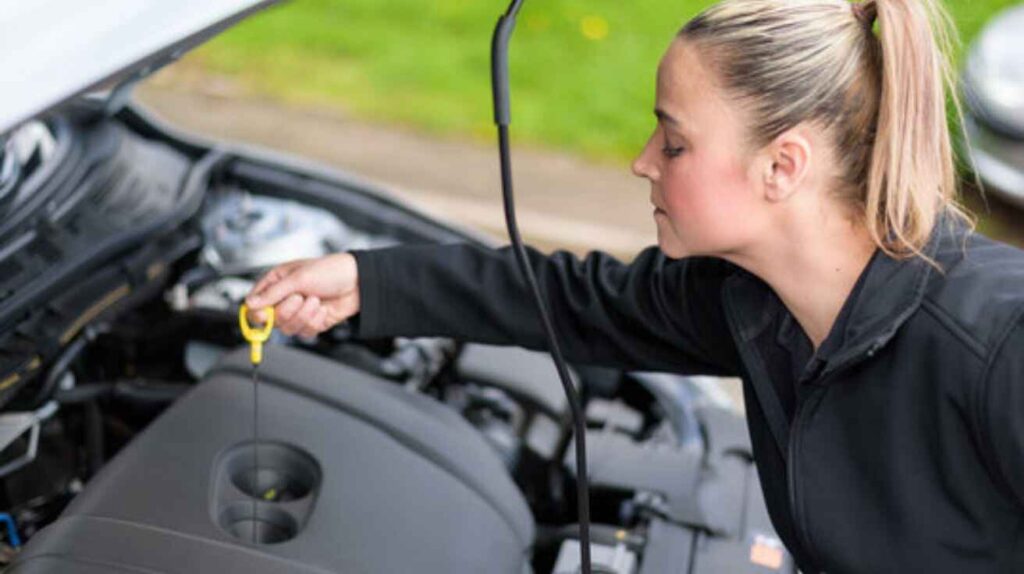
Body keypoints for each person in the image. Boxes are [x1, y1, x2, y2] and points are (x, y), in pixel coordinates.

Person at [244, 0, 1024, 571]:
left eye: (674, 141)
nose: (643, 160)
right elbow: (572, 301)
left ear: (783, 167)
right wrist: (367, 279)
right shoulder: (752, 298)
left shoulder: (997, 345)